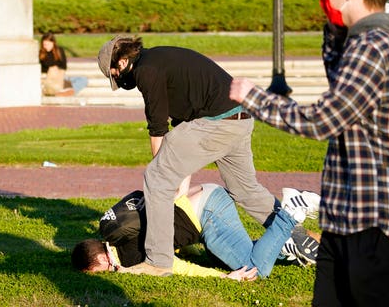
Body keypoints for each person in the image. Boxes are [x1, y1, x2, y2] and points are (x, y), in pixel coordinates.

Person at [229, 0, 389, 304]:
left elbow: (323, 119)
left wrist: (253, 96)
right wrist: (335, 28)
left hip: (375, 224)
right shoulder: (364, 41)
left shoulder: (375, 45)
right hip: (344, 220)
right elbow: (339, 79)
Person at [96, 36, 320, 276]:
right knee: (245, 189)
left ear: (121, 62)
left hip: (219, 122)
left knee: (156, 178)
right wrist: (181, 178)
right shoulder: (161, 57)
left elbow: (158, 127)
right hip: (240, 117)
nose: (119, 82)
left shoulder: (146, 71)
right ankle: (296, 233)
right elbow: (185, 122)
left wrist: (164, 174)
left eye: (115, 75)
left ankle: (158, 262)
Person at [71, 185, 320, 279]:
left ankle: (291, 209)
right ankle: (285, 248)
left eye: (97, 273)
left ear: (102, 260)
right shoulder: (117, 235)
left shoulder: (127, 257)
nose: (103, 275)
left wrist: (224, 279)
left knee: (254, 269)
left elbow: (177, 267)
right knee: (222, 259)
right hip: (204, 201)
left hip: (209, 214)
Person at [39, 32, 88, 97]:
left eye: (48, 44)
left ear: (53, 43)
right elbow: (44, 67)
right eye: (45, 44)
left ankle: (69, 92)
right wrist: (54, 66)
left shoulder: (59, 50)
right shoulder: (42, 53)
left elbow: (64, 66)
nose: (46, 46)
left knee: (83, 79)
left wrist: (54, 66)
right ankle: (64, 91)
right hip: (49, 78)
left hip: (60, 76)